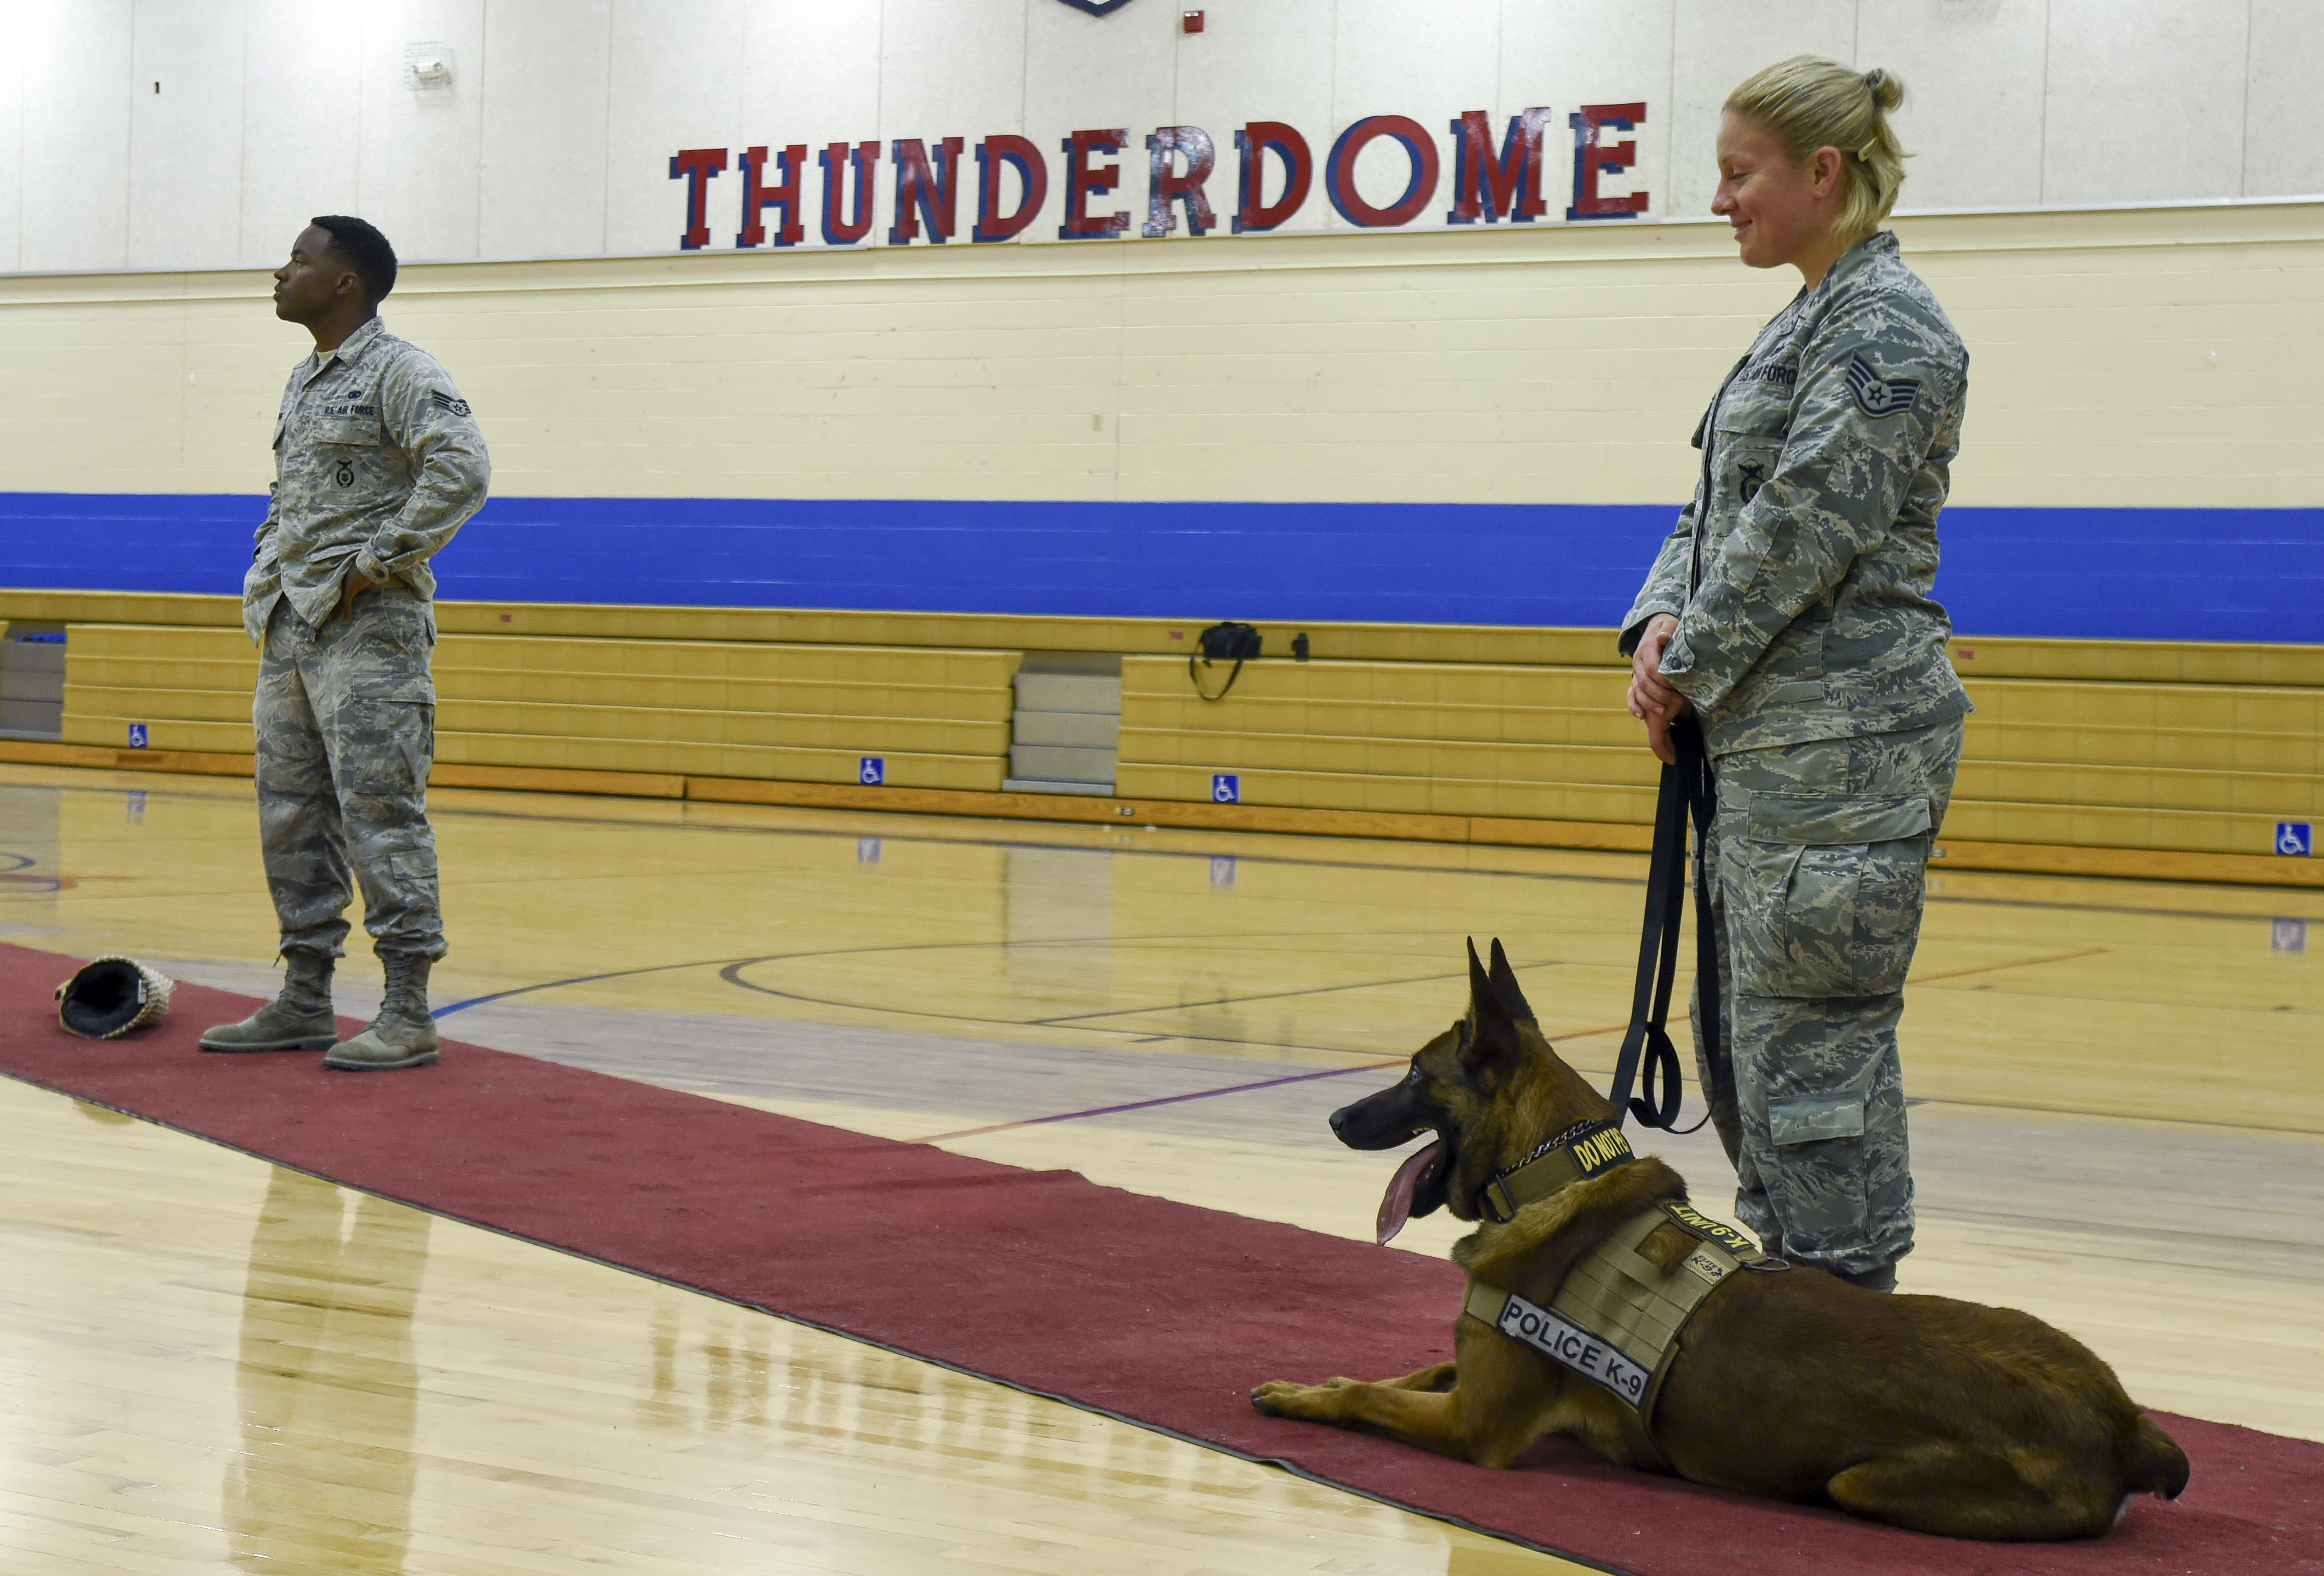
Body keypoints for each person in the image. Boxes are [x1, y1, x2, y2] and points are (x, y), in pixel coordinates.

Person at [1620, 59, 1971, 1292]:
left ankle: (1843, 1316)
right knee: (1749, 1039)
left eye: (1736, 173)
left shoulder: (1887, 332)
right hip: (1769, 751)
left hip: (1844, 757)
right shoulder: (1798, 324)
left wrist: (1688, 669)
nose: (1718, 199)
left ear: (1822, 173)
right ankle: (1795, 1298)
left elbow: (1800, 528)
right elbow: (1714, 513)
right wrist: (1659, 619)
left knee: (1813, 1050)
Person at [198, 216, 489, 1071]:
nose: (282, 272)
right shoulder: (304, 378)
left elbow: (463, 468)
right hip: (292, 626)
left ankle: (407, 1007)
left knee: (380, 815)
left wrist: (374, 563)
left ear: (346, 283)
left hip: (370, 630)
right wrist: (268, 561)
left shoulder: (401, 370)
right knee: (290, 816)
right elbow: (293, 494)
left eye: (301, 260)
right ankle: (304, 995)